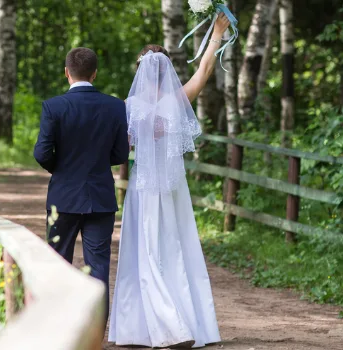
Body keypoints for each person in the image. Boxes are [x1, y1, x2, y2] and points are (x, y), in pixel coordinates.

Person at [108, 15, 230, 348]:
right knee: (176, 249)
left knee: (144, 251)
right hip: (174, 189)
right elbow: (204, 70)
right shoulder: (176, 101)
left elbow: (121, 146)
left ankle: (153, 326)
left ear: (140, 69)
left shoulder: (127, 107)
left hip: (144, 188)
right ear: (166, 70)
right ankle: (184, 320)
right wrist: (216, 33)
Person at [33, 47, 130, 327]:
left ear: (66, 72)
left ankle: (57, 324)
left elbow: (41, 152)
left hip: (63, 197)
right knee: (98, 265)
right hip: (100, 197)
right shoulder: (115, 106)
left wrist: (60, 169)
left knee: (58, 261)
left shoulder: (54, 106)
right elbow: (121, 154)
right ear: (95, 73)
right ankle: (95, 330)